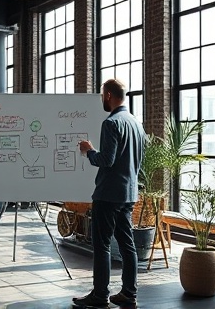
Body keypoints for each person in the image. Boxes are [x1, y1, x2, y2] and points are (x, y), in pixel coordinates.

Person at [72, 79, 146, 308]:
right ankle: (128, 293)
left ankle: (100, 296)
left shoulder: (111, 123)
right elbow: (136, 162)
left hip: (108, 194)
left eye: (102, 95)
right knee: (127, 244)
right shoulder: (136, 124)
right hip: (128, 193)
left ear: (109, 95)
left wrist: (89, 151)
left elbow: (107, 160)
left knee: (102, 245)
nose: (102, 99)